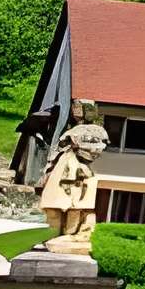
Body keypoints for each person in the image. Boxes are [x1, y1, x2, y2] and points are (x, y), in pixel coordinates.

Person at [35, 100, 109, 251]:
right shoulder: (71, 137)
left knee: (75, 210)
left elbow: (95, 148)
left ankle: (68, 235)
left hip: (75, 180)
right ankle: (57, 236)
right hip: (65, 173)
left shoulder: (92, 131)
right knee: (56, 209)